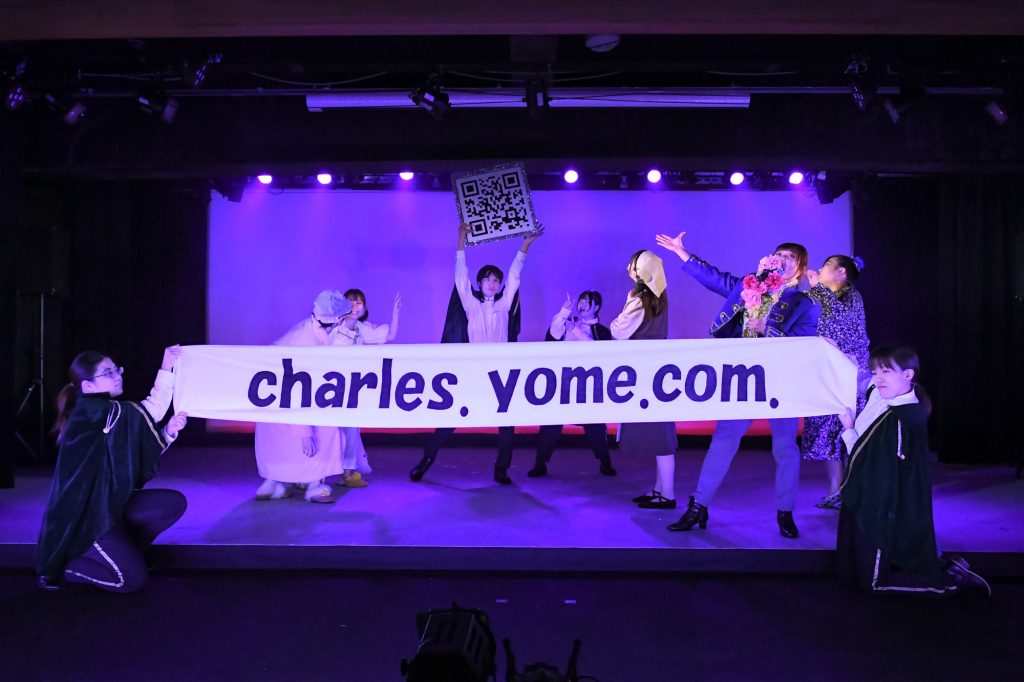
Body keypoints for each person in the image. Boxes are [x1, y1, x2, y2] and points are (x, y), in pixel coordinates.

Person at [656, 231, 820, 538]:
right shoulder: (750, 285)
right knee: (724, 440)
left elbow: (806, 342)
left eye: (790, 257)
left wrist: (768, 330)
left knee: (785, 447)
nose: (782, 260)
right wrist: (681, 252)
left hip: (781, 380)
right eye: (779, 254)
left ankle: (785, 512)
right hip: (743, 377)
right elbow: (714, 279)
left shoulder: (804, 303)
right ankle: (698, 505)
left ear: (800, 268)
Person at [837, 345, 990, 597]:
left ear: (908, 375)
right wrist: (833, 353)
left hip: (882, 502)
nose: (878, 378)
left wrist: (848, 429)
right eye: (876, 372)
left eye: (886, 371)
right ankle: (942, 567)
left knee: (872, 582)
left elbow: (867, 460)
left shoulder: (902, 418)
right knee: (851, 571)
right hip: (866, 491)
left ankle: (950, 581)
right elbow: (861, 379)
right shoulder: (881, 394)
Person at [36, 346, 188, 592]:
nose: (117, 376)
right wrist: (166, 365)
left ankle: (126, 553)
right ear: (88, 386)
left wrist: (167, 432)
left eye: (117, 370)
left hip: (107, 506)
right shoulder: (93, 412)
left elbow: (130, 454)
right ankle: (67, 566)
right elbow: (154, 408)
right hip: (87, 519)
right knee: (131, 581)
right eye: (108, 373)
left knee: (170, 504)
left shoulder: (103, 413)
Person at [410, 222, 543, 485]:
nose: (492, 283)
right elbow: (460, 276)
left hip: (500, 374)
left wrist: (526, 244)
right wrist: (461, 237)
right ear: (479, 283)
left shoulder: (504, 304)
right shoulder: (471, 303)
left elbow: (515, 275)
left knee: (507, 422)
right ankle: (425, 461)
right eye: (487, 279)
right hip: (472, 372)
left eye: (496, 280)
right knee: (450, 419)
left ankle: (501, 469)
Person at [253, 290, 351, 503]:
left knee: (281, 448)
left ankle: (273, 485)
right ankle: (315, 486)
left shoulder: (314, 328)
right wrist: (303, 432)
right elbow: (297, 389)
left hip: (277, 399)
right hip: (286, 400)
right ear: (335, 317)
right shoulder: (306, 340)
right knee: (325, 434)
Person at [801, 255, 871, 510]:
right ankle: (835, 491)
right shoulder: (817, 295)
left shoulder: (851, 296)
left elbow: (838, 319)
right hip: (827, 374)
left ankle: (854, 490)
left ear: (841, 272)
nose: (820, 268)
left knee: (849, 431)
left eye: (827, 265)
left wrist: (817, 288)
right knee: (829, 435)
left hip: (849, 376)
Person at [610, 251, 677, 508]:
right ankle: (660, 490)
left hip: (645, 372)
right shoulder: (659, 297)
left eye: (632, 265)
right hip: (657, 371)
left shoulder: (640, 299)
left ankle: (667, 494)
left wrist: (628, 302)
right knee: (662, 435)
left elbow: (618, 331)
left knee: (662, 437)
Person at [528, 290, 616, 478]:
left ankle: (605, 462)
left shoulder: (601, 331)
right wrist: (564, 312)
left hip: (588, 386)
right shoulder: (569, 323)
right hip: (564, 382)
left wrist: (575, 329)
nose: (582, 304)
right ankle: (540, 463)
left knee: (595, 426)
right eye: (581, 301)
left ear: (596, 307)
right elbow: (553, 334)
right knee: (551, 424)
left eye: (587, 301)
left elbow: (598, 352)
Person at [332, 289, 403, 489]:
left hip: (351, 387)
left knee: (352, 429)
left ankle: (348, 472)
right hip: (328, 386)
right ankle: (311, 475)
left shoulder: (362, 329)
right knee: (326, 430)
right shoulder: (333, 328)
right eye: (350, 302)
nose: (354, 307)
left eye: (359, 303)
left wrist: (396, 313)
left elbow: (390, 335)